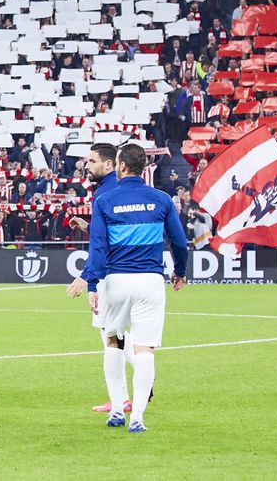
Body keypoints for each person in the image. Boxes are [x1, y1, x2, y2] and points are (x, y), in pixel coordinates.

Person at [70, 142, 189, 433]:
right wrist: (180, 271)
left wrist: (91, 282)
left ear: (121, 165)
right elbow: (179, 242)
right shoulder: (161, 199)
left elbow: (99, 247)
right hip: (150, 280)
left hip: (117, 280)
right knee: (145, 348)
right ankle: (137, 416)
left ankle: (116, 409)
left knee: (113, 341)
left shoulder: (105, 200)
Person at [66, 143, 120, 413]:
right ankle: (127, 390)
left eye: (91, 161)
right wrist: (88, 226)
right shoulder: (115, 189)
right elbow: (112, 234)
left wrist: (86, 277)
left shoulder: (104, 193)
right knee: (114, 333)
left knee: (111, 335)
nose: (86, 166)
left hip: (109, 273)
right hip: (123, 270)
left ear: (108, 164)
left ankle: (126, 392)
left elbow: (102, 244)